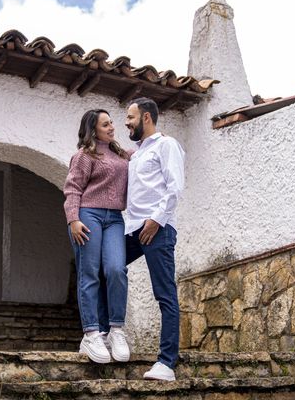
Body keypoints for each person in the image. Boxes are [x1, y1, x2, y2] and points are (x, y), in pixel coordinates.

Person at [63, 109, 132, 364]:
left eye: (112, 122)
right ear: (93, 129)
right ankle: (91, 333)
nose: (112, 127)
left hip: (114, 217)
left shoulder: (119, 154)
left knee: (116, 270)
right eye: (106, 124)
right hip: (88, 216)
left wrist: (155, 141)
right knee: (89, 273)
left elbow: (138, 158)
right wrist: (74, 219)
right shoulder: (83, 156)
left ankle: (116, 330)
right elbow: (72, 189)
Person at [124, 97, 185, 381]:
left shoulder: (166, 145)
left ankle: (166, 363)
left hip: (157, 228)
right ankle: (107, 335)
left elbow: (175, 188)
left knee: (164, 294)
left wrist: (156, 220)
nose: (126, 122)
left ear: (146, 117)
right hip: (133, 229)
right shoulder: (136, 155)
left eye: (130, 117)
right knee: (107, 269)